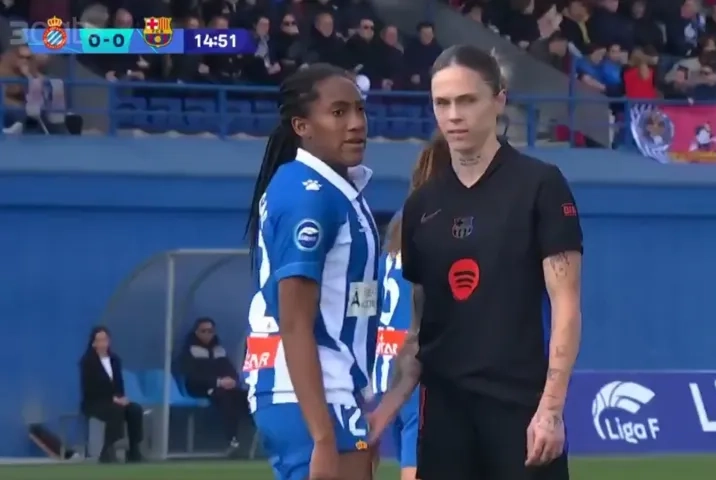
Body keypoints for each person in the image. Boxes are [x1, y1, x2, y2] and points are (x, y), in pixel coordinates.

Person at [369, 45, 583, 480]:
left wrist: (551, 410)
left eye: (466, 100)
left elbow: (566, 307)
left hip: (520, 414)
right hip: (444, 420)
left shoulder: (540, 185)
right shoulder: (421, 207)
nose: (453, 115)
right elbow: (419, 332)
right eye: (442, 103)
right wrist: (384, 413)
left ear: (498, 101)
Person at [242, 63, 379, 480]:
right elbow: (295, 320)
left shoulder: (328, 188)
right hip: (309, 392)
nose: (355, 124)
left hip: (328, 388)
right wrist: (321, 435)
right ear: (302, 125)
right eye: (338, 113)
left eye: (359, 110)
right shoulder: (309, 197)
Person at [372, 134, 447, 480]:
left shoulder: (399, 226)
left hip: (384, 360)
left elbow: (366, 297)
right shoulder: (441, 221)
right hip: (415, 358)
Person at [178, 317, 248, 453]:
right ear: (196, 332)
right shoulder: (189, 351)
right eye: (203, 331)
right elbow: (193, 377)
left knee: (245, 397)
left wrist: (232, 380)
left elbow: (229, 368)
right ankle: (231, 440)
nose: (207, 334)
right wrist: (217, 382)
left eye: (210, 331)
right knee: (226, 399)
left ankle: (251, 441)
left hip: (223, 388)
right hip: (198, 388)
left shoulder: (219, 350)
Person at [79, 326, 145, 463]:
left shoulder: (115, 360)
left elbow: (119, 384)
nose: (103, 343)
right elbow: (90, 388)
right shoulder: (87, 362)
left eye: (105, 340)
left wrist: (122, 397)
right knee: (116, 410)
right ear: (93, 343)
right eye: (99, 340)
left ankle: (134, 449)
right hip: (95, 402)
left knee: (135, 409)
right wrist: (113, 399)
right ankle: (108, 450)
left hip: (115, 401)